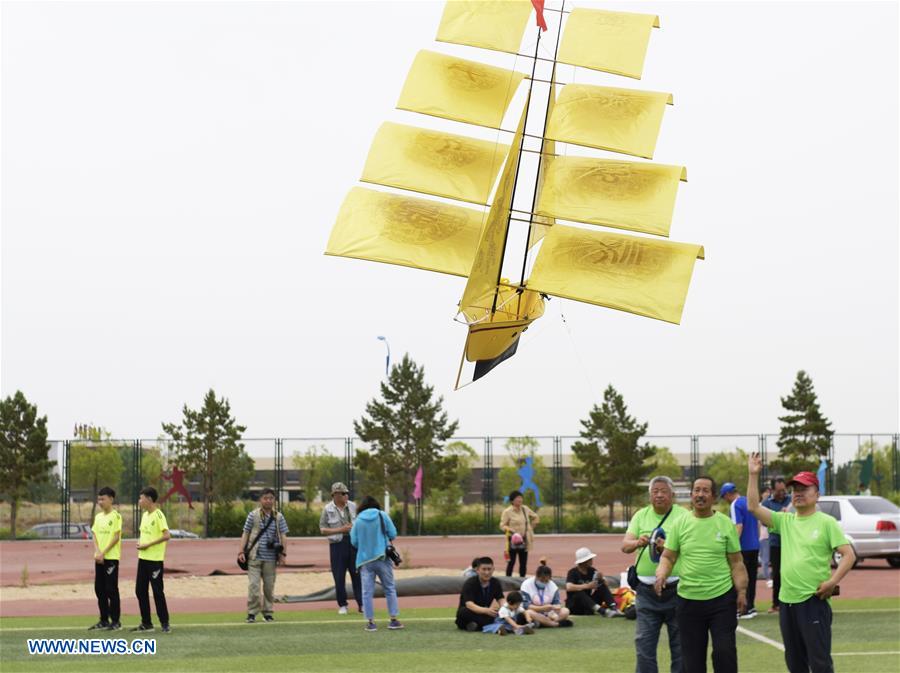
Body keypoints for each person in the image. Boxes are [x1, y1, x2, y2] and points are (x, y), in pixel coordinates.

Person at [747, 453, 855, 673]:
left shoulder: (826, 522)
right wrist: (752, 474)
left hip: (813, 600)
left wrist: (832, 582)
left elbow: (849, 555)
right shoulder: (785, 520)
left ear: (817, 494)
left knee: (820, 662)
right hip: (786, 602)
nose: (798, 494)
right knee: (795, 663)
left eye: (804, 489)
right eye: (795, 489)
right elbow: (753, 508)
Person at [655, 476, 747, 673]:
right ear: (691, 496)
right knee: (692, 660)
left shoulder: (724, 524)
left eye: (705, 491)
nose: (700, 494)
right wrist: (661, 574)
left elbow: (736, 562)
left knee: (725, 652)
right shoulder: (681, 523)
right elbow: (668, 557)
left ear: (713, 497)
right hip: (688, 601)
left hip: (722, 600)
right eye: (696, 490)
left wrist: (742, 591)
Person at [621, 475, 689, 673]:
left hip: (677, 589)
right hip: (645, 591)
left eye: (663, 491)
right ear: (650, 495)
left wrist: (667, 548)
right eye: (655, 492)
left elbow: (690, 547)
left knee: (680, 645)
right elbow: (625, 546)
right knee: (644, 645)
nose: (659, 495)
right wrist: (637, 542)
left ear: (672, 495)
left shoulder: (684, 516)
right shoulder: (641, 515)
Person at [349, 495, 403, 632]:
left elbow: (354, 541)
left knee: (367, 592)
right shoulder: (382, 515)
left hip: (365, 560)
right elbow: (393, 533)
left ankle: (370, 622)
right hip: (382, 557)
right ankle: (393, 619)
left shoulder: (358, 520)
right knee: (389, 588)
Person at [238, 487, 288, 623]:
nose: (268, 501)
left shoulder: (278, 517)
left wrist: (283, 553)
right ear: (260, 500)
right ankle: (252, 613)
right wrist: (241, 551)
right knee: (253, 586)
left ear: (274, 500)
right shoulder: (252, 515)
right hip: (254, 555)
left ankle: (268, 612)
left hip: (271, 558)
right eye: (265, 498)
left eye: (271, 498)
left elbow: (284, 535)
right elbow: (245, 533)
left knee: (269, 587)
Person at [132, 486, 171, 633]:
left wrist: (147, 544)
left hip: (154, 561)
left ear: (149, 499)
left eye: (141, 498)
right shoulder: (145, 515)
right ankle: (146, 623)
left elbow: (167, 535)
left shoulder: (158, 515)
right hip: (143, 559)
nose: (139, 501)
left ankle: (165, 622)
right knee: (140, 591)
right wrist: (141, 544)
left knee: (157, 592)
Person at [319, 481, 362, 615]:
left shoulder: (353, 506)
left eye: (346, 493)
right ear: (335, 495)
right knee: (339, 576)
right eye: (342, 493)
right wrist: (340, 530)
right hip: (337, 545)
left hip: (353, 543)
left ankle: (361, 604)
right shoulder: (327, 509)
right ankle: (343, 604)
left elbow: (361, 523)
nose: (345, 496)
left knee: (357, 575)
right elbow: (322, 529)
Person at [721, 482, 760, 618]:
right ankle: (751, 607)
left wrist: (732, 546)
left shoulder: (735, 504)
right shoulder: (749, 501)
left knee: (741, 578)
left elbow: (738, 526)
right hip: (755, 546)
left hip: (743, 547)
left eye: (724, 497)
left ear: (727, 495)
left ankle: (743, 609)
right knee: (752, 577)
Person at [88, 486, 122, 631]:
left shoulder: (116, 516)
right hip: (99, 558)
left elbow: (116, 537)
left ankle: (116, 621)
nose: (100, 502)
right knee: (99, 589)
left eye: (103, 499)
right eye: (99, 499)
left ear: (111, 499)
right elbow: (94, 534)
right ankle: (104, 620)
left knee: (111, 589)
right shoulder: (98, 517)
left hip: (111, 558)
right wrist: (97, 551)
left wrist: (104, 552)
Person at [565, 547, 623, 617]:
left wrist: (602, 579)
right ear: (584, 561)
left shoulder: (592, 571)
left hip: (588, 605)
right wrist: (587, 586)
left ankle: (614, 608)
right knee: (578, 592)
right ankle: (601, 611)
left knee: (602, 586)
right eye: (590, 559)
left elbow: (605, 586)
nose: (592, 561)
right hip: (575, 606)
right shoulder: (573, 572)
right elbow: (569, 587)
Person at [762, 477, 790, 613]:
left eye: (784, 490)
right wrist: (780, 516)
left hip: (791, 543)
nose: (782, 493)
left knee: (790, 573)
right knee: (777, 574)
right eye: (779, 491)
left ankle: (791, 602)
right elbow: (764, 521)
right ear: (772, 490)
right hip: (776, 544)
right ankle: (776, 604)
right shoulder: (767, 503)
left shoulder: (791, 500)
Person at [456, 556, 505, 631]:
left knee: (499, 613)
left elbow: (501, 599)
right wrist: (486, 610)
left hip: (485, 614)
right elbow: (470, 605)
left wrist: (505, 609)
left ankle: (477, 626)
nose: (487, 572)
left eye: (489, 569)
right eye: (484, 569)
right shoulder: (470, 583)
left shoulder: (495, 582)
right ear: (477, 570)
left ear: (493, 569)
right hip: (471, 613)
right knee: (463, 612)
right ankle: (493, 624)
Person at [500, 490, 539, 577]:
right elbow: (502, 525)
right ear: (512, 501)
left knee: (523, 563)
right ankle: (508, 580)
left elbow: (535, 517)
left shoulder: (525, 509)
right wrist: (511, 530)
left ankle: (522, 581)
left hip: (524, 539)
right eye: (518, 498)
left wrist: (530, 528)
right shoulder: (507, 512)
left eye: (521, 498)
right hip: (513, 540)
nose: (520, 500)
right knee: (511, 562)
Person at [758, 486, 772, 581]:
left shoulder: (770, 504)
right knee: (765, 559)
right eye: (765, 492)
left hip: (772, 534)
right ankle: (767, 578)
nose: (767, 494)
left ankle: (769, 576)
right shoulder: (758, 506)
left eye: (768, 492)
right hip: (764, 535)